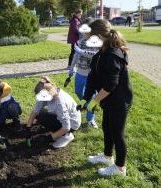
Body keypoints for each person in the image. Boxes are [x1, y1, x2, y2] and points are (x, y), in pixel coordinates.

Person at [80, 19, 133, 176]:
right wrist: (85, 98)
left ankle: (120, 168)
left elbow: (110, 86)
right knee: (107, 128)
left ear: (99, 36)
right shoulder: (100, 53)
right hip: (109, 100)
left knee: (117, 133)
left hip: (119, 101)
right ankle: (107, 157)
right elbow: (92, 78)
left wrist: (94, 102)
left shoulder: (112, 55)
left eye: (91, 37)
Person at [25, 76, 81, 149]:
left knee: (44, 118)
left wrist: (48, 138)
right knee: (40, 115)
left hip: (72, 124)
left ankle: (67, 136)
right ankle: (57, 132)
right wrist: (28, 128)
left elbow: (66, 127)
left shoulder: (60, 103)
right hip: (63, 117)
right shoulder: (48, 93)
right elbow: (35, 111)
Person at [68, 19, 100, 128]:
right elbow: (76, 55)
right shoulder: (81, 41)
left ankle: (90, 119)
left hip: (91, 74)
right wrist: (72, 68)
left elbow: (96, 54)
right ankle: (87, 104)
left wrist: (82, 52)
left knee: (91, 96)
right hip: (80, 73)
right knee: (78, 91)